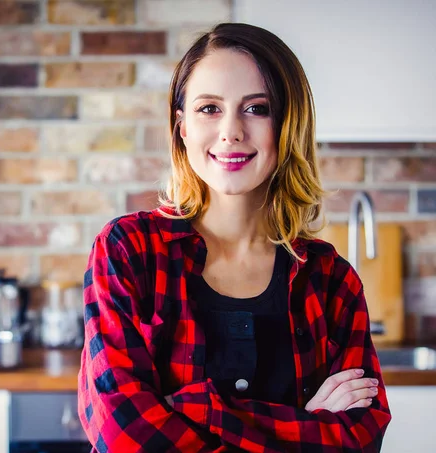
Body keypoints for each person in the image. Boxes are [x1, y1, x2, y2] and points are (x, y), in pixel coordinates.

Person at [77, 22, 391, 452]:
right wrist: (305, 426)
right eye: (209, 108)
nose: (231, 131)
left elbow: (359, 437)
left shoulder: (332, 280)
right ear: (182, 126)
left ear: (287, 124)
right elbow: (121, 433)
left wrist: (195, 408)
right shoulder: (129, 250)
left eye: (256, 108)